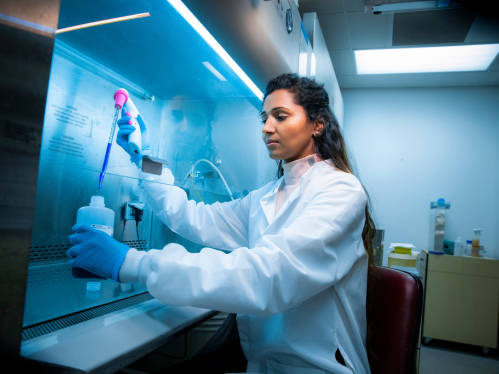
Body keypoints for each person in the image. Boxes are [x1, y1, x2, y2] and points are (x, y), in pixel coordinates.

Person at [67, 74, 376, 374]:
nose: (267, 127)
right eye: (264, 117)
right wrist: (144, 156)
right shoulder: (267, 197)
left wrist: (132, 262)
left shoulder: (341, 191)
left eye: (281, 116)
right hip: (260, 364)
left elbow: (268, 277)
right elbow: (191, 216)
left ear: (318, 125)